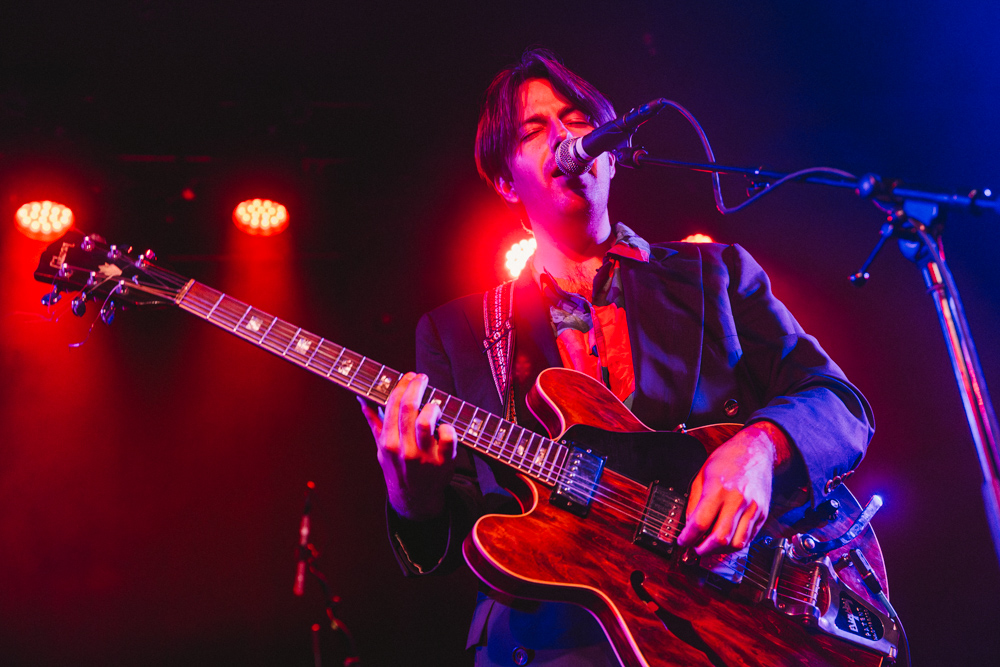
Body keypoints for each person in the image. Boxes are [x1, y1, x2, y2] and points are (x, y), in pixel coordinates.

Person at [359, 48, 874, 666]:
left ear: (610, 153)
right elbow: (462, 532)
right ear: (503, 179)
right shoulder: (459, 331)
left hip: (731, 615)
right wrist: (412, 494)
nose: (564, 139)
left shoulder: (717, 274)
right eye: (533, 130)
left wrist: (759, 448)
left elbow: (840, 405)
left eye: (578, 121)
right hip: (553, 638)